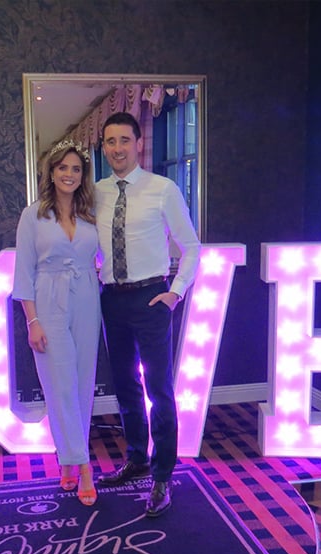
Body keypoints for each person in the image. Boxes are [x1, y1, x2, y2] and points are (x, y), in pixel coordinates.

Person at [95, 111, 201, 517]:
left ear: (139, 144)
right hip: (111, 299)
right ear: (103, 147)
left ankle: (162, 476)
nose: (117, 148)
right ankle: (137, 458)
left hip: (152, 297)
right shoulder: (97, 192)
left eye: (124, 140)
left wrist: (176, 292)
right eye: (110, 141)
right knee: (125, 385)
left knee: (159, 389)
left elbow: (191, 246)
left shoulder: (163, 189)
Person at [12, 139, 101, 506]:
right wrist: (32, 320)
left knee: (82, 384)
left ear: (83, 176)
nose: (69, 174)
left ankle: (66, 459)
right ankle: (83, 466)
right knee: (59, 385)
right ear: (51, 172)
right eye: (63, 167)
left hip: (87, 297)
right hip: (48, 299)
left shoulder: (90, 214)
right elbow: (23, 271)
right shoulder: (32, 215)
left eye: (76, 169)